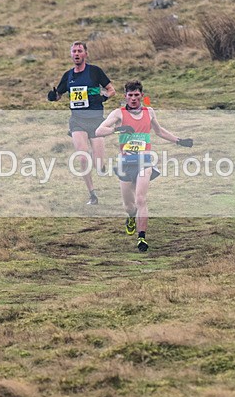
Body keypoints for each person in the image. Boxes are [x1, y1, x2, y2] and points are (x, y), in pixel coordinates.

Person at [95, 80, 193, 252]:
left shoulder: (149, 112)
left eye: (136, 95)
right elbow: (99, 131)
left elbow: (159, 131)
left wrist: (180, 141)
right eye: (130, 95)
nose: (133, 98)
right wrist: (119, 130)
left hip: (144, 161)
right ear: (125, 96)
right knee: (129, 206)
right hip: (125, 163)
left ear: (141, 95)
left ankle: (141, 238)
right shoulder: (119, 113)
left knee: (141, 198)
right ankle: (131, 216)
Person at [48, 41, 116, 205]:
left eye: (79, 51)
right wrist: (52, 96)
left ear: (85, 54)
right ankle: (92, 194)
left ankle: (100, 164)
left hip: (96, 120)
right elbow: (59, 95)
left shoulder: (95, 71)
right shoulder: (68, 76)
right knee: (83, 157)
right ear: (71, 55)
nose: (76, 54)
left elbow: (112, 90)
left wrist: (104, 97)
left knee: (98, 162)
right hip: (77, 121)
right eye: (74, 51)